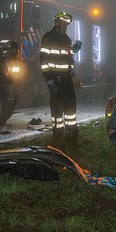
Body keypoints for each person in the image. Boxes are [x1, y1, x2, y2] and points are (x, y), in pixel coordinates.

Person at [40, 11, 82, 152]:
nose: (65, 27)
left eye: (67, 25)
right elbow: (44, 60)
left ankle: (73, 140)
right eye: (64, 24)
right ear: (57, 24)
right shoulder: (48, 38)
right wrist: (49, 78)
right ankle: (58, 141)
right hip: (55, 81)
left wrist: (75, 49)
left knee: (71, 112)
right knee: (57, 113)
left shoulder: (66, 38)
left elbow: (67, 57)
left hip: (67, 80)